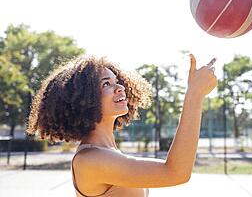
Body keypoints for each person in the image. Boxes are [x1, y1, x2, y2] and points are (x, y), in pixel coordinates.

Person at [26, 54, 217, 197]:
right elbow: (176, 173)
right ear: (84, 100)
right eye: (106, 84)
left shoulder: (106, 151)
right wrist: (195, 94)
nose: (120, 88)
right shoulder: (90, 160)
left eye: (117, 81)